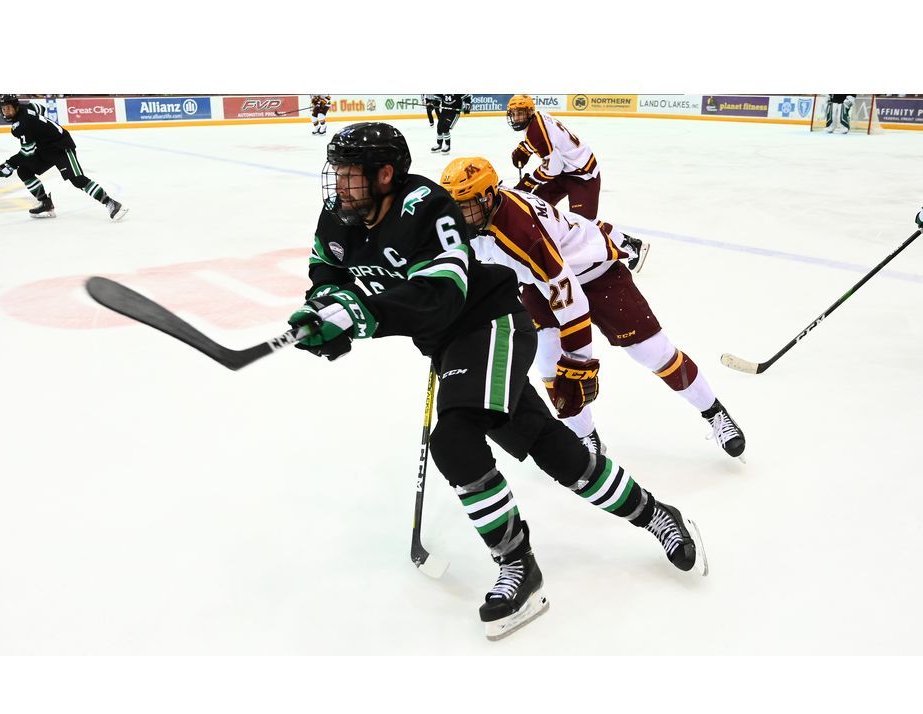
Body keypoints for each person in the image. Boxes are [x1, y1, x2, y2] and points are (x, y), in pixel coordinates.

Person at [287, 122, 707, 641]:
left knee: (455, 440)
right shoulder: (338, 217)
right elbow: (327, 277)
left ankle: (519, 567)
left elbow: (443, 293)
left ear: (386, 175)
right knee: (558, 453)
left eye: (350, 175)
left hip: (492, 325)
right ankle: (657, 515)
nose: (339, 186)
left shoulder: (426, 205)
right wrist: (321, 313)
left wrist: (362, 315)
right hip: (451, 346)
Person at [439, 156, 747, 461]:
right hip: (541, 282)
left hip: (594, 273)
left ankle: (713, 411)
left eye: (466, 206)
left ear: (489, 197)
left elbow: (570, 297)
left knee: (654, 353)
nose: (460, 214)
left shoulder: (521, 232)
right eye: (456, 206)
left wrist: (578, 360)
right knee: (548, 366)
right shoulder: (473, 220)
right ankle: (585, 436)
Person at [0, 94, 127, 220]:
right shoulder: (27, 107)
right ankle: (45, 204)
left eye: (8, 108)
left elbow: (27, 152)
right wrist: (41, 129)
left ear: (16, 107)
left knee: (77, 180)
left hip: (61, 146)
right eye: (3, 109)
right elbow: (41, 108)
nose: (6, 112)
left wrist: (9, 165)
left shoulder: (22, 125)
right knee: (24, 170)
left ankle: (111, 203)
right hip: (44, 148)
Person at [506, 94, 601, 220]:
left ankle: (621, 239)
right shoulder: (537, 118)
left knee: (584, 226)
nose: (517, 118)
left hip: (583, 176)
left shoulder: (536, 132)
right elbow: (550, 140)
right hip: (563, 172)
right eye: (513, 114)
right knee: (536, 207)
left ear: (529, 112)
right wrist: (525, 148)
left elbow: (553, 168)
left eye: (520, 113)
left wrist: (529, 182)